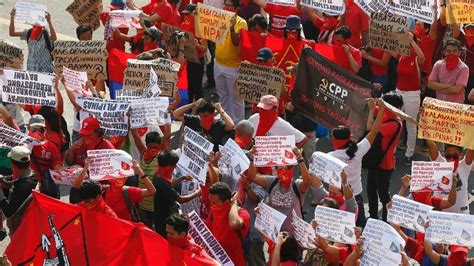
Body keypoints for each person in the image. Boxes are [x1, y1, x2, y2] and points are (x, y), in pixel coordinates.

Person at [248, 147, 311, 235]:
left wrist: (300, 159)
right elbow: (252, 177)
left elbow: (307, 182)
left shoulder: (297, 185)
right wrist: (252, 158)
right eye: (280, 169)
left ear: (291, 170)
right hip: (274, 232)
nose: (283, 172)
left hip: (294, 234)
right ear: (276, 171)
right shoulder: (272, 182)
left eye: (286, 169)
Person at [366, 92, 403, 222]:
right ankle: (373, 218)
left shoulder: (394, 124)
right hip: (375, 160)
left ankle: (387, 221)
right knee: (371, 191)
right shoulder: (387, 114)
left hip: (384, 164)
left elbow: (371, 127)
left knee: (383, 195)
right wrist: (374, 106)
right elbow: (375, 108)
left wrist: (373, 110)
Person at [391, 33, 425, 165]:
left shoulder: (415, 55)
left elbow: (422, 58)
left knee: (410, 125)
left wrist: (412, 41)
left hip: (412, 94)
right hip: (399, 91)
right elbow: (387, 47)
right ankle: (391, 151)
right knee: (396, 122)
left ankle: (409, 154)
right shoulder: (401, 54)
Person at [153, 150, 202, 237]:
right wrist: (197, 193)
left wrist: (182, 178)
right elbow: (180, 199)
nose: (175, 167)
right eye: (173, 166)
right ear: (168, 166)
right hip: (164, 218)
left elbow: (170, 184)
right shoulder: (162, 183)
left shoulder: (158, 174)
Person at [214, 2, 248, 124]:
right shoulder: (218, 18)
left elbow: (236, 43)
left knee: (236, 99)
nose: (226, 7)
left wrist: (232, 29)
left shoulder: (241, 23)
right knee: (222, 97)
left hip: (233, 67)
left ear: (236, 9)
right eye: (224, 4)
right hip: (218, 64)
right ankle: (226, 124)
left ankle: (238, 127)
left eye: (229, 5)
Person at [206, 182, 250, 266]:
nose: (211, 205)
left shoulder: (242, 213)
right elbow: (207, 231)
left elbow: (234, 223)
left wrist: (233, 204)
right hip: (215, 261)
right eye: (210, 202)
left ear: (226, 201)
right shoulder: (213, 210)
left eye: (215, 202)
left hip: (235, 262)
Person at [426, 140, 474, 214]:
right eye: (448, 156)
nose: (451, 159)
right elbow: (430, 144)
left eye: (454, 156)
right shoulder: (440, 163)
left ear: (460, 155)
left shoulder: (464, 166)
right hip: (440, 212)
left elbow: (472, 148)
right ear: (444, 154)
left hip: (461, 213)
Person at [0, 146, 38, 236]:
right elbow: (13, 179)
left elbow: (8, 213)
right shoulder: (32, 175)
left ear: (12, 164)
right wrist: (3, 179)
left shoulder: (23, 186)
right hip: (28, 224)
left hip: (21, 230)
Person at [9, 8, 56, 73]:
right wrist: (12, 18)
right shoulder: (28, 32)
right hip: (31, 70)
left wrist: (49, 22)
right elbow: (12, 33)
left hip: (45, 71)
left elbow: (54, 38)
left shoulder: (46, 34)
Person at [28, 115, 63, 199]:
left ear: (45, 130)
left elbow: (58, 169)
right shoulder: (23, 144)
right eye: (34, 129)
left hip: (45, 188)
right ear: (28, 129)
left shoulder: (51, 147)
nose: (37, 132)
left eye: (40, 129)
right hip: (28, 188)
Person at [180, 4, 208, 103]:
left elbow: (204, 49)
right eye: (185, 14)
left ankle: (200, 106)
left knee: (197, 86)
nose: (186, 16)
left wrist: (196, 45)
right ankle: (190, 105)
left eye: (188, 14)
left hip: (198, 61)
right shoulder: (183, 25)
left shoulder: (201, 28)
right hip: (188, 59)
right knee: (189, 85)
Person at [428, 38, 470, 103]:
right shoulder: (438, 64)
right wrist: (449, 85)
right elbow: (430, 84)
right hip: (439, 104)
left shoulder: (464, 68)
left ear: (459, 53)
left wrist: (438, 88)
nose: (451, 54)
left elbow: (457, 90)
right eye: (448, 51)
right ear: (444, 52)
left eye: (454, 51)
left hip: (456, 106)